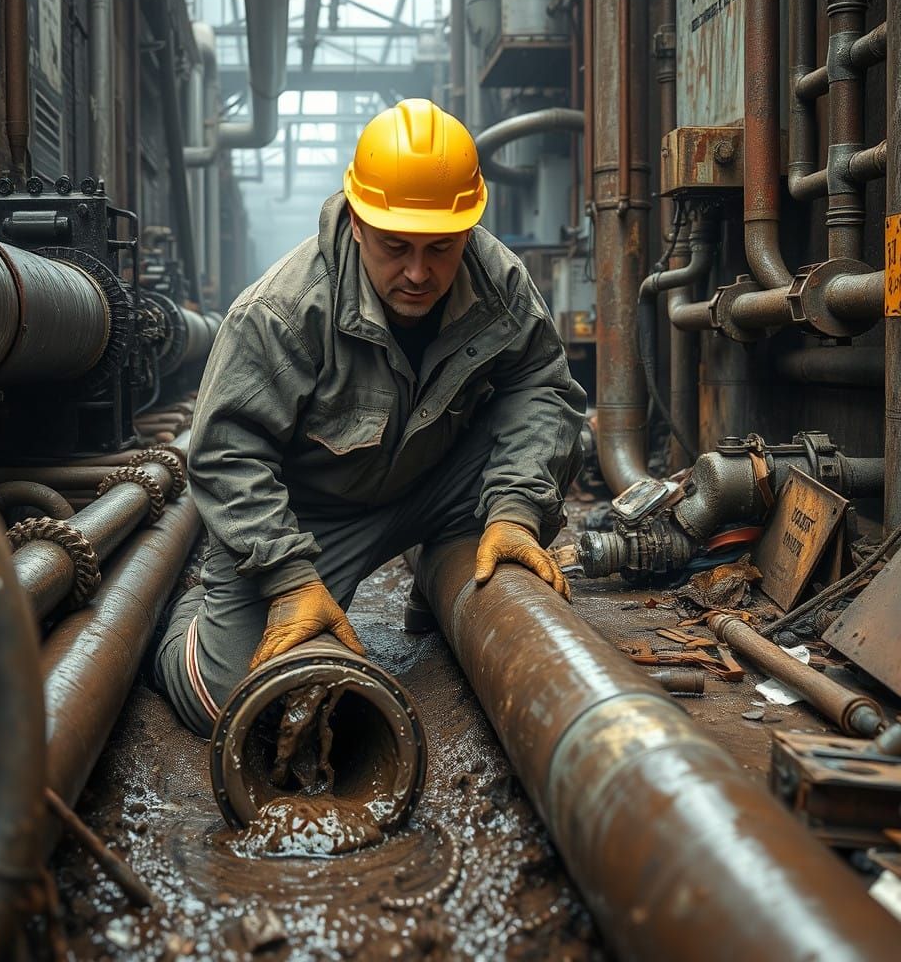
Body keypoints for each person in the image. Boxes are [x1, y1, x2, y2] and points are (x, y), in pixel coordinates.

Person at [155, 98, 586, 736]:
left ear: (468, 229)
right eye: (396, 247)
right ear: (357, 221)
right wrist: (287, 578)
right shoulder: (283, 312)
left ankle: (444, 576)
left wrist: (516, 512)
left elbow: (542, 387)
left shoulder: (499, 284)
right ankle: (192, 619)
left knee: (547, 445)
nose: (418, 272)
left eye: (441, 247)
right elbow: (226, 452)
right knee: (239, 704)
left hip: (434, 483)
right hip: (311, 515)